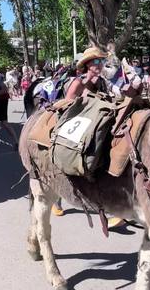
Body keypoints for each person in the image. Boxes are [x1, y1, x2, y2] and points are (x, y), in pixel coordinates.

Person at [52, 46, 108, 217]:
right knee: (68, 155)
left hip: (92, 123)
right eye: (96, 61)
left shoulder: (101, 82)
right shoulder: (78, 82)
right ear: (87, 65)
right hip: (76, 122)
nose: (100, 65)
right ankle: (57, 199)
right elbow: (67, 104)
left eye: (102, 61)